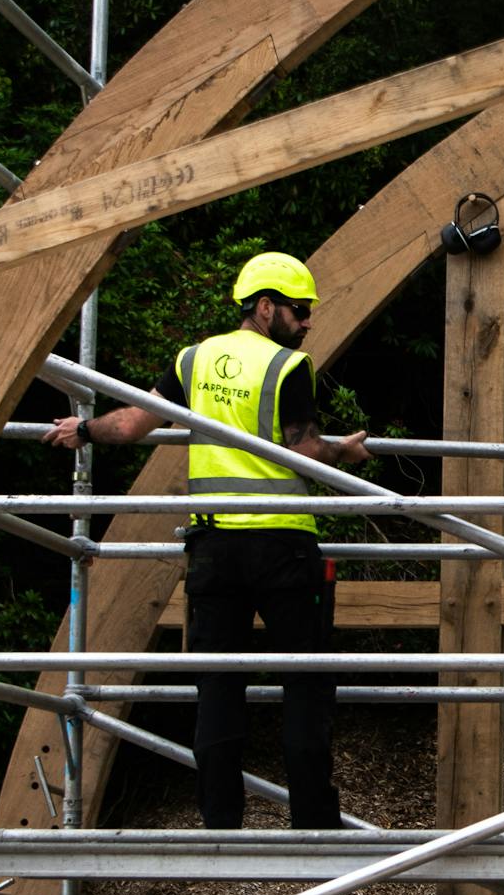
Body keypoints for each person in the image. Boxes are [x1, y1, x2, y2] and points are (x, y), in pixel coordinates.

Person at [49, 251, 373, 829]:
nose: (306, 324)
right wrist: (342, 452)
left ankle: (220, 822)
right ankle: (315, 826)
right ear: (265, 307)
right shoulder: (286, 368)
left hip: (214, 550)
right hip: (283, 547)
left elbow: (132, 424)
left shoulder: (193, 359)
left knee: (218, 684)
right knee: (306, 682)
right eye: (299, 312)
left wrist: (83, 430)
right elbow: (301, 450)